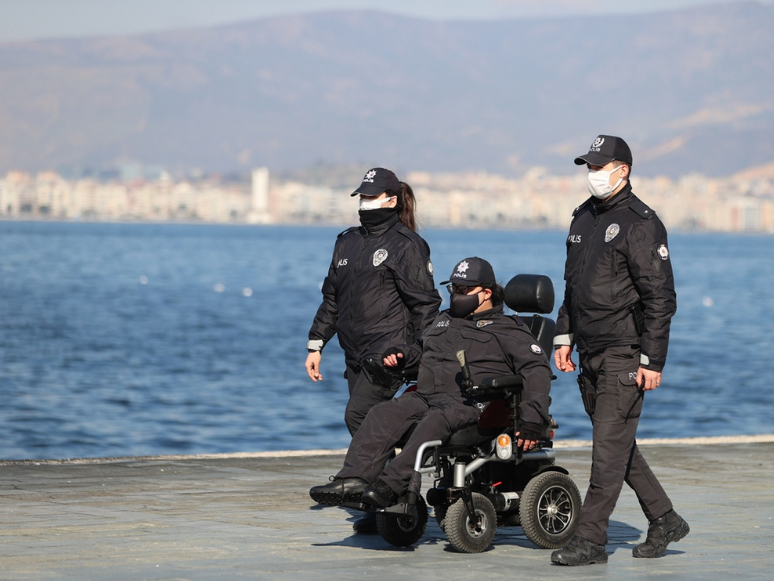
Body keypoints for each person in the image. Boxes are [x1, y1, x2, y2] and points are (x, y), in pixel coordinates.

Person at [309, 257, 552, 509]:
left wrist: (533, 418)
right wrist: (402, 355)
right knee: (382, 413)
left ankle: (390, 486)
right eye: (454, 289)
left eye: (464, 290)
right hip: (427, 395)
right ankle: (352, 480)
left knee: (435, 420)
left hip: (474, 402)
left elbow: (536, 370)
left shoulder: (508, 329)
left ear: (487, 293)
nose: (457, 295)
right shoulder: (444, 320)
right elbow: (422, 349)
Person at [550, 135, 689, 566]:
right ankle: (664, 518)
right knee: (618, 445)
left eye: (599, 166)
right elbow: (573, 287)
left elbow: (660, 298)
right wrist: (564, 337)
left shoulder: (641, 223)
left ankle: (591, 541)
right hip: (588, 350)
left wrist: (652, 360)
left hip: (625, 354)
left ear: (622, 170)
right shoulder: (583, 217)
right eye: (588, 167)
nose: (592, 174)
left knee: (606, 452)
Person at [305, 168, 441, 532]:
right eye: (361, 197)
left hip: (389, 354)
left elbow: (426, 306)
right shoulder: (346, 242)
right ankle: (390, 500)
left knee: (357, 416)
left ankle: (391, 491)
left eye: (371, 197)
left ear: (392, 200)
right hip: (354, 354)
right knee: (371, 423)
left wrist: (417, 353)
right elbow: (331, 299)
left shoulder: (407, 245)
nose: (364, 204)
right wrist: (316, 343)